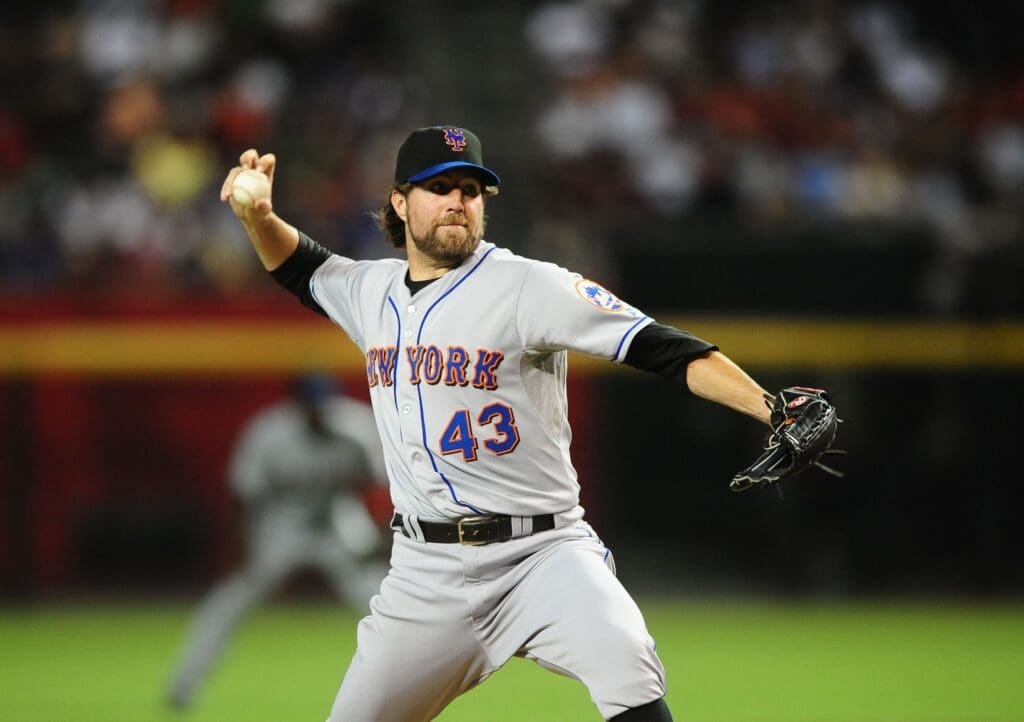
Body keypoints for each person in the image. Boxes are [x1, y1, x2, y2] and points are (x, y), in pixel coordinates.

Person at [218, 126, 785, 722]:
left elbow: (659, 345)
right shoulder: (370, 291)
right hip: (424, 572)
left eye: (471, 188)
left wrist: (770, 407)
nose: (457, 201)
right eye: (438, 187)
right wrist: (257, 216)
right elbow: (300, 267)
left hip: (542, 554)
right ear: (399, 201)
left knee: (626, 665)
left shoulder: (528, 285)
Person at [166, 373, 387, 711]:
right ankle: (184, 683)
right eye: (313, 406)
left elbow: (384, 484)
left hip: (336, 523)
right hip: (282, 527)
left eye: (325, 405)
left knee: (382, 601)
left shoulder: (355, 427)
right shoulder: (269, 432)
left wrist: (377, 535)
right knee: (231, 601)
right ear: (295, 404)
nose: (320, 413)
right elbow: (243, 494)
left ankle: (404, 684)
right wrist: (239, 549)